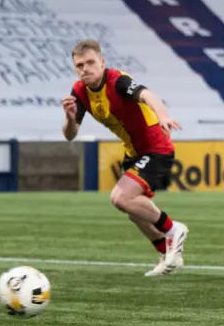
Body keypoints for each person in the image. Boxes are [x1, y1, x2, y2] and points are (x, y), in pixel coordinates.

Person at [61, 40, 188, 277]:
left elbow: (147, 94)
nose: (85, 68)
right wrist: (69, 118)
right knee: (133, 210)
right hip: (133, 152)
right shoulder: (79, 91)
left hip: (156, 148)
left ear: (102, 63)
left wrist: (163, 116)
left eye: (90, 62)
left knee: (120, 198)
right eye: (79, 65)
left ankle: (173, 229)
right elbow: (70, 135)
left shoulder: (117, 80)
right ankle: (166, 255)